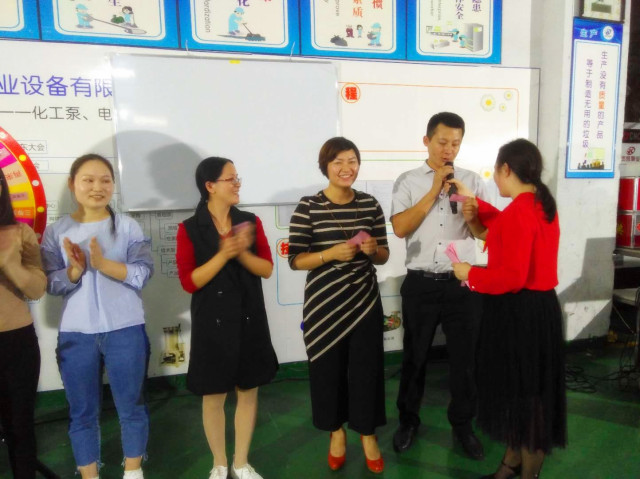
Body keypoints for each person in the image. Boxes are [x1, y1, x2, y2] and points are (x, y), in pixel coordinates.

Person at [451, 139, 566, 479]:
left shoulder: (520, 211)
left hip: (521, 314)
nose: (495, 179)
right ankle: (511, 465)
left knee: (527, 400)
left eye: (495, 172)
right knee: (525, 395)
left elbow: (512, 277)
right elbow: (505, 228)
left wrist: (470, 274)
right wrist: (473, 203)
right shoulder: (539, 204)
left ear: (505, 169)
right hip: (539, 311)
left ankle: (527, 474)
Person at [41, 154, 153, 479]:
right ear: (72, 184)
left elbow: (143, 273)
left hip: (126, 329)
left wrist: (103, 265)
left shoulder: (128, 227)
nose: (97, 187)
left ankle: (133, 472)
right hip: (76, 334)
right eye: (88, 180)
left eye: (105, 180)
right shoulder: (56, 231)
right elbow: (49, 283)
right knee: (82, 412)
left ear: (113, 184)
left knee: (131, 406)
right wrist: (75, 271)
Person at [288, 137, 389, 474]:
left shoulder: (370, 204)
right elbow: (296, 259)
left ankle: (368, 434)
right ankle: (336, 432)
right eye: (338, 162)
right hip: (324, 304)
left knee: (367, 370)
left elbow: (384, 255)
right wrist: (330, 254)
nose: (347, 168)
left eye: (352, 161)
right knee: (327, 371)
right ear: (326, 167)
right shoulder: (309, 206)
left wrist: (373, 249)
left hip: (364, 301)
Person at [390, 112, 487, 459]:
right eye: (443, 142)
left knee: (465, 360)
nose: (449, 150)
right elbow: (400, 228)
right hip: (421, 283)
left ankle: (463, 426)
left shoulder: (471, 181)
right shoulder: (407, 181)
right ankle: (408, 421)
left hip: (463, 285)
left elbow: (483, 234)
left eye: (456, 143)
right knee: (415, 357)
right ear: (427, 141)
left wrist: (471, 212)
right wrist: (434, 190)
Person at [175, 157, 278, 479]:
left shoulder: (249, 221)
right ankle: (219, 464)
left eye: (237, 178)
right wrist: (224, 253)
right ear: (210, 186)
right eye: (230, 179)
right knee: (213, 395)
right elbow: (190, 281)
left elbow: (266, 268)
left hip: (249, 318)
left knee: (248, 391)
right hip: (211, 322)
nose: (237, 184)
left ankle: (241, 462)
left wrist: (242, 252)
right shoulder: (189, 228)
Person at [0, 168, 47, 479]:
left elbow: (37, 289)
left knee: (20, 426)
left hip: (17, 341)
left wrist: (11, 266)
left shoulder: (20, 232)